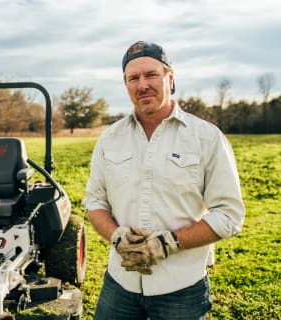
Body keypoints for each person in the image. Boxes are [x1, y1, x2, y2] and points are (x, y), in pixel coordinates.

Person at [83, 41, 245, 320]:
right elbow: (94, 201)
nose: (142, 85)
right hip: (119, 283)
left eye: (151, 75)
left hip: (181, 288)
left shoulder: (206, 138)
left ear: (171, 78)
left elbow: (229, 215)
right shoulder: (110, 139)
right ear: (126, 85)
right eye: (133, 78)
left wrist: (169, 242)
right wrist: (117, 236)